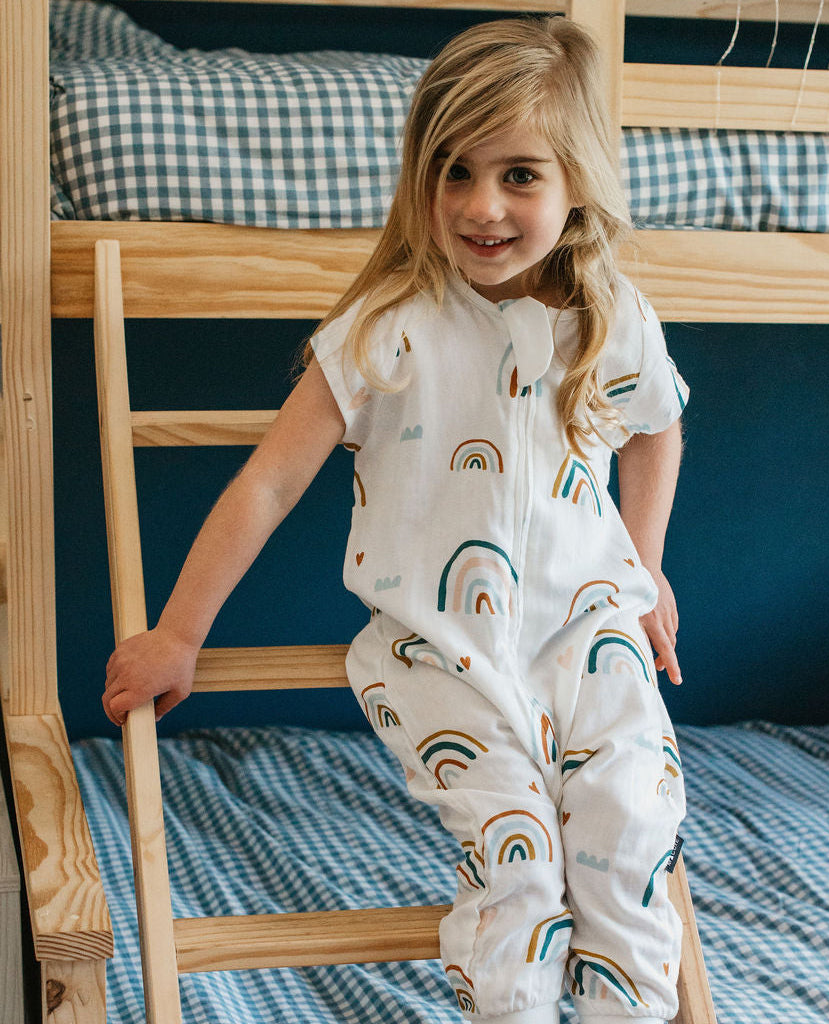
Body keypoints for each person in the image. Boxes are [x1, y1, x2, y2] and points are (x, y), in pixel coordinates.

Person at [103, 16, 689, 1024]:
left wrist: (645, 567)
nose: (480, 206)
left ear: (578, 180)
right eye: (452, 172)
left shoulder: (612, 314)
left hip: (588, 634)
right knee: (522, 862)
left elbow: (655, 432)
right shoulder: (388, 328)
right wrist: (177, 633)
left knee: (631, 829)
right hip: (441, 648)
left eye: (518, 175)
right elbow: (269, 484)